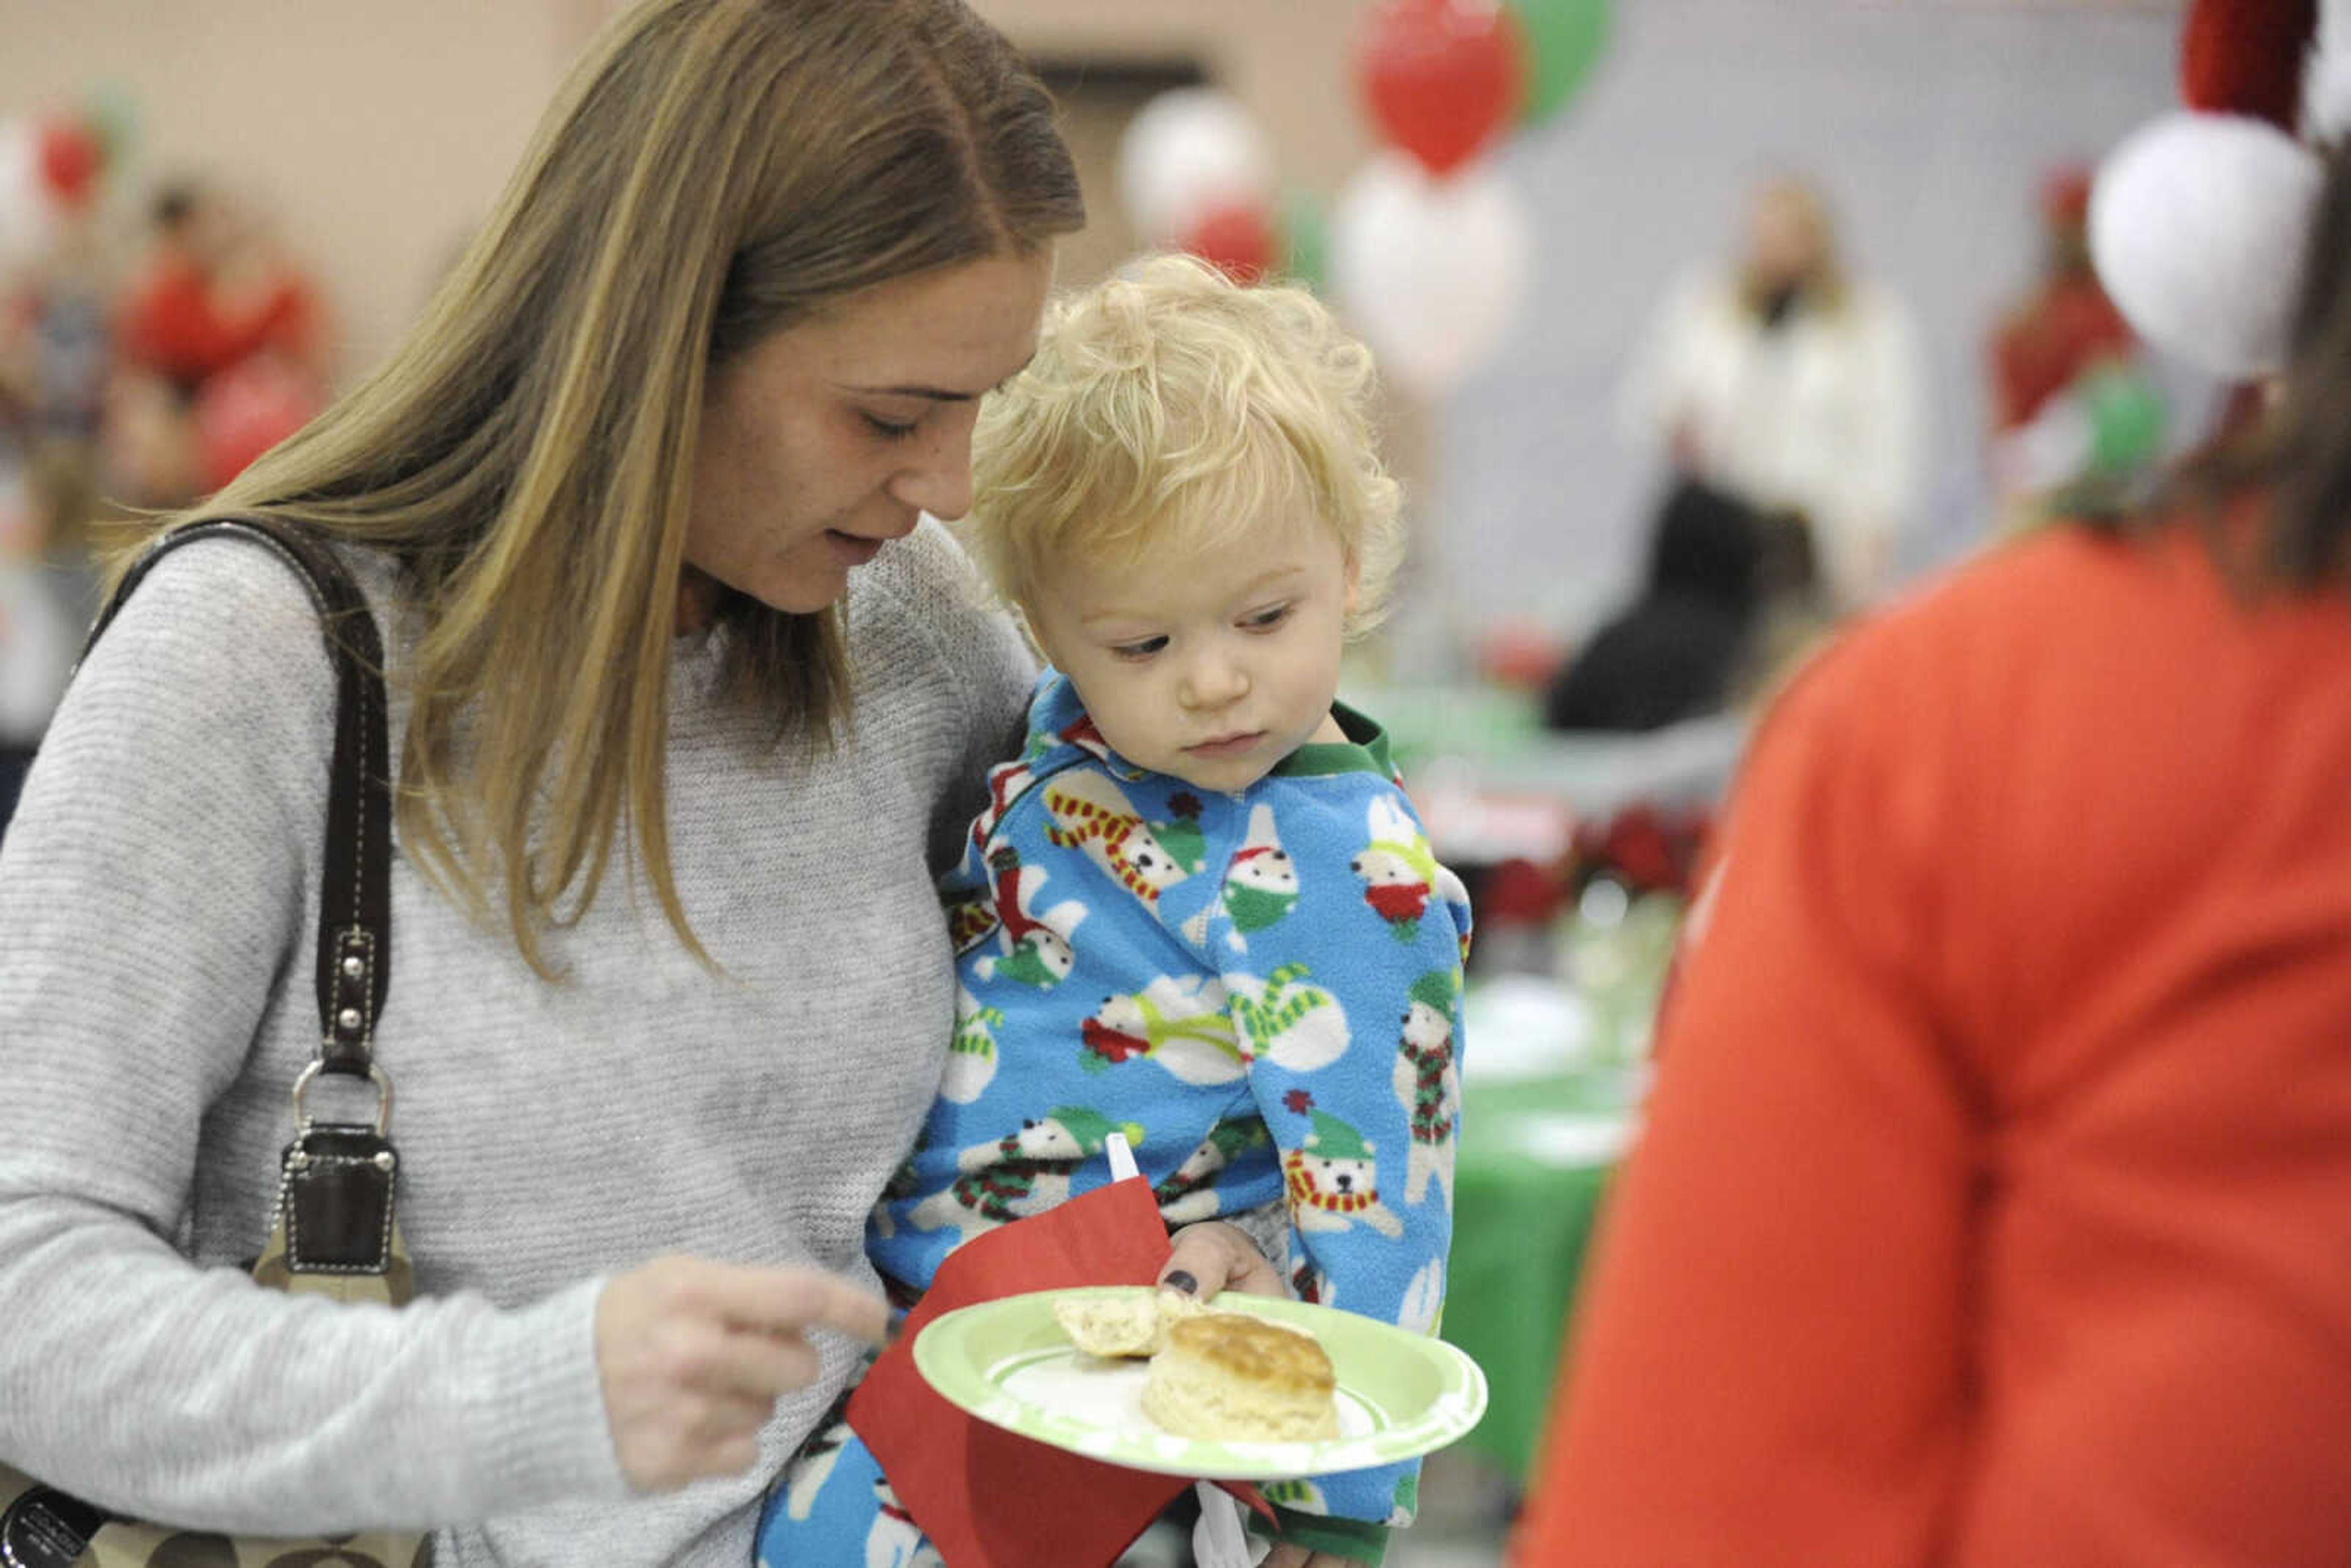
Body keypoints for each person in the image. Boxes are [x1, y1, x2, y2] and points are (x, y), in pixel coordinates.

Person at [0, 4, 1280, 1564]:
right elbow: (27, 1292)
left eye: (980, 404)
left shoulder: (909, 619)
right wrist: (517, 1393)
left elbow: (1134, 992)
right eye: (888, 414)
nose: (946, 484)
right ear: (661, 334)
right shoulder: (262, 653)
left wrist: (1223, 1241)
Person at [1515, 54, 2351, 1568]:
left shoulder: (1970, 723)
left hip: (1811, 590)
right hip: (1735, 579)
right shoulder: (1941, 715)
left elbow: (1714, 1507)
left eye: (1786, 220)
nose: (1767, 242)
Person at [756, 255, 1473, 1568]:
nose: (1212, 679)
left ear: (1349, 563)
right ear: (1050, 631)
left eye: (1267, 614)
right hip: (955, 1301)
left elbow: (1383, 1192)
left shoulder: (1345, 867)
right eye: (1143, 641)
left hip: (1123, 1347)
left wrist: (1342, 1496)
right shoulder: (1066, 728)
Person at [1619, 174, 1925, 610]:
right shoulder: (1705, 304)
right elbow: (1652, 400)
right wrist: (1679, 424)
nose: (1772, 248)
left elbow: (1892, 435)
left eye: (1787, 235)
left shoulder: (1870, 320)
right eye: (1762, 234)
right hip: (1727, 523)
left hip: (1819, 527)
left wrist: (1874, 536)